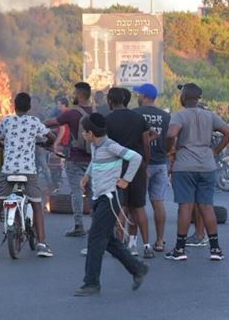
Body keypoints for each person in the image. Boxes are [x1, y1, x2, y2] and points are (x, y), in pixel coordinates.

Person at [73, 113, 149, 296]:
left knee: (95, 239)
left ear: (91, 133)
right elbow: (94, 161)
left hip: (110, 198)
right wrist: (87, 175)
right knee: (109, 241)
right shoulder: (95, 145)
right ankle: (137, 268)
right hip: (99, 197)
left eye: (84, 132)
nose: (83, 135)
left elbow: (136, 158)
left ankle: (91, 283)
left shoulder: (110, 146)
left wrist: (126, 180)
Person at [0, 92, 55, 258]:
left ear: (14, 106)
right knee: (36, 204)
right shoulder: (34, 122)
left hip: (8, 170)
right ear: (29, 107)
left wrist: (1, 144)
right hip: (28, 171)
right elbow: (51, 136)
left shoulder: (7, 120)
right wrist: (45, 143)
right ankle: (42, 244)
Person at [164, 83, 229, 262]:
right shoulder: (210, 116)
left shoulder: (179, 115)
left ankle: (179, 249)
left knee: (185, 206)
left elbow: (171, 133)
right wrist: (215, 151)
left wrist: (170, 150)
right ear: (198, 98)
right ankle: (216, 249)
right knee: (206, 207)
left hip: (185, 166)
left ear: (183, 98)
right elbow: (228, 132)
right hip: (207, 165)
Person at [103, 88, 152, 259]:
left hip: (116, 168)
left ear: (110, 100)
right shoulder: (138, 118)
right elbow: (146, 143)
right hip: (137, 166)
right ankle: (146, 246)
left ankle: (121, 245)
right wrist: (146, 163)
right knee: (139, 207)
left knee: (121, 207)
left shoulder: (107, 120)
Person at [44, 82, 94, 237]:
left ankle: (78, 225)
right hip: (94, 159)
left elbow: (52, 123)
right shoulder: (96, 112)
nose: (72, 96)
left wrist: (36, 124)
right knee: (94, 193)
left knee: (76, 192)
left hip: (75, 158)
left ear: (79, 94)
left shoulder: (72, 113)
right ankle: (95, 225)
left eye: (74, 93)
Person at [133, 83, 170, 254]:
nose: (137, 97)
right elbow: (171, 138)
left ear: (145, 96)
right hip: (161, 162)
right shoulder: (165, 116)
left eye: (139, 94)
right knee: (159, 202)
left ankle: (132, 241)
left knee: (136, 203)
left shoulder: (135, 114)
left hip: (141, 163)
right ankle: (160, 240)